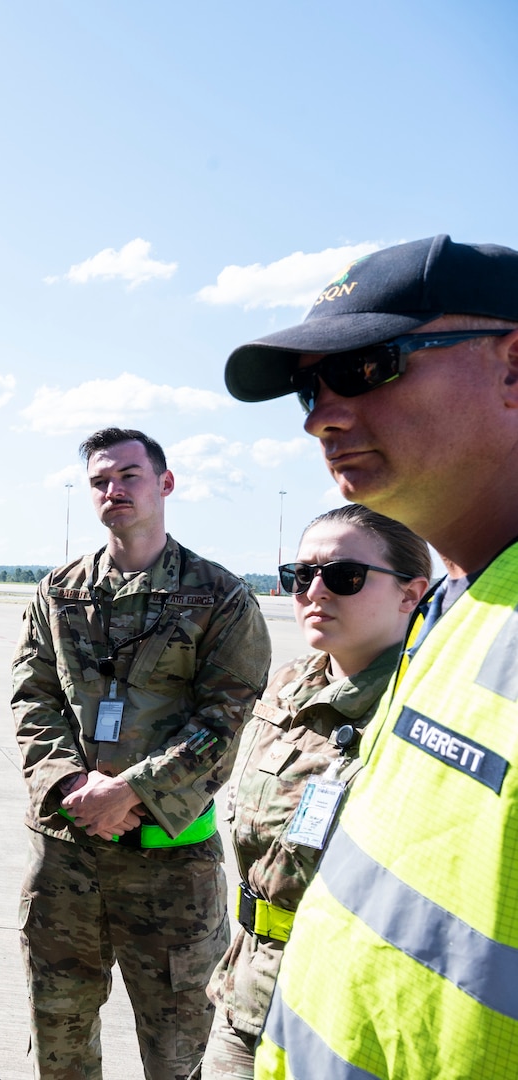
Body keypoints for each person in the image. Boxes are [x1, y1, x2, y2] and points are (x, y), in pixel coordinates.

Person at [224, 235, 518, 1079]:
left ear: (512, 366)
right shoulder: (457, 609)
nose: (321, 414)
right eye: (308, 389)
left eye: (363, 367)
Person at [12, 427, 272, 1080]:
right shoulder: (58, 592)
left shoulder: (219, 597)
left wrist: (128, 792)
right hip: (65, 858)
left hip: (168, 865)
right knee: (58, 1042)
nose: (113, 489)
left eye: (128, 475)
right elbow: (31, 697)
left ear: (164, 483)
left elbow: (224, 718)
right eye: (100, 480)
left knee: (180, 1049)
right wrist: (72, 786)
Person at [198, 506, 429, 1078]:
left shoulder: (426, 709)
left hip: (346, 1010)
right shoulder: (291, 681)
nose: (315, 591)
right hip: (247, 993)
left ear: (410, 594)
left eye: (343, 576)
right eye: (301, 576)